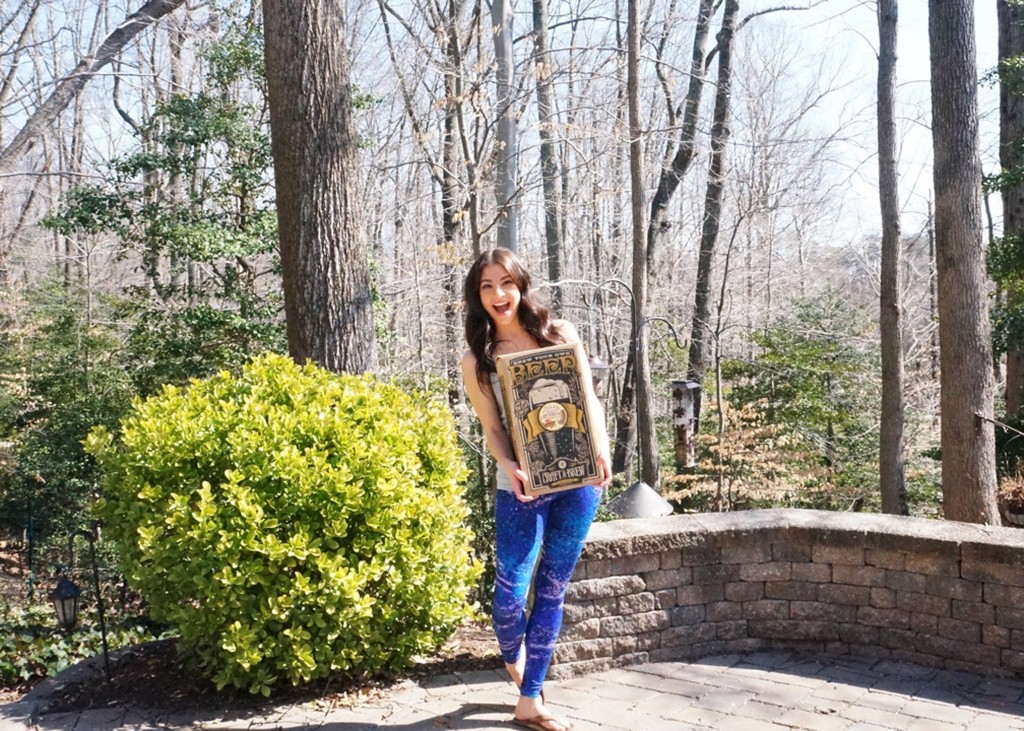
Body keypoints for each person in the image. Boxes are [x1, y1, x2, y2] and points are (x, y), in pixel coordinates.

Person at [461, 248, 612, 731]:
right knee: (509, 596)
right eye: (487, 286)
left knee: (552, 590)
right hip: (521, 486)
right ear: (477, 296)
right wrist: (509, 464)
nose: (498, 294)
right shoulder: (478, 359)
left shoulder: (560, 333)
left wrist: (602, 449)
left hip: (579, 479)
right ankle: (515, 661)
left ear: (522, 286)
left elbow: (588, 397)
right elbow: (493, 429)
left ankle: (530, 702)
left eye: (506, 282)